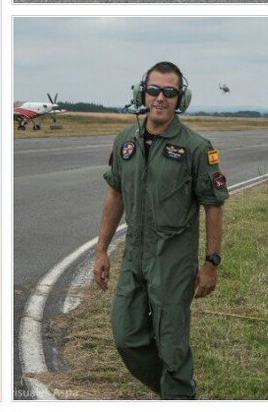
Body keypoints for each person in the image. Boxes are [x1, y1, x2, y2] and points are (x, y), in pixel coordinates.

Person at [94, 63, 227, 400]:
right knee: (126, 336)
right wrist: (102, 250)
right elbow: (115, 194)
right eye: (154, 90)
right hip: (134, 256)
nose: (160, 98)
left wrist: (211, 263)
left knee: (171, 345)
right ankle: (176, 392)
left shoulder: (197, 147)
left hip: (173, 262)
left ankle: (178, 395)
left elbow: (213, 206)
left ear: (181, 99)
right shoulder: (125, 140)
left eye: (170, 92)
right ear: (142, 94)